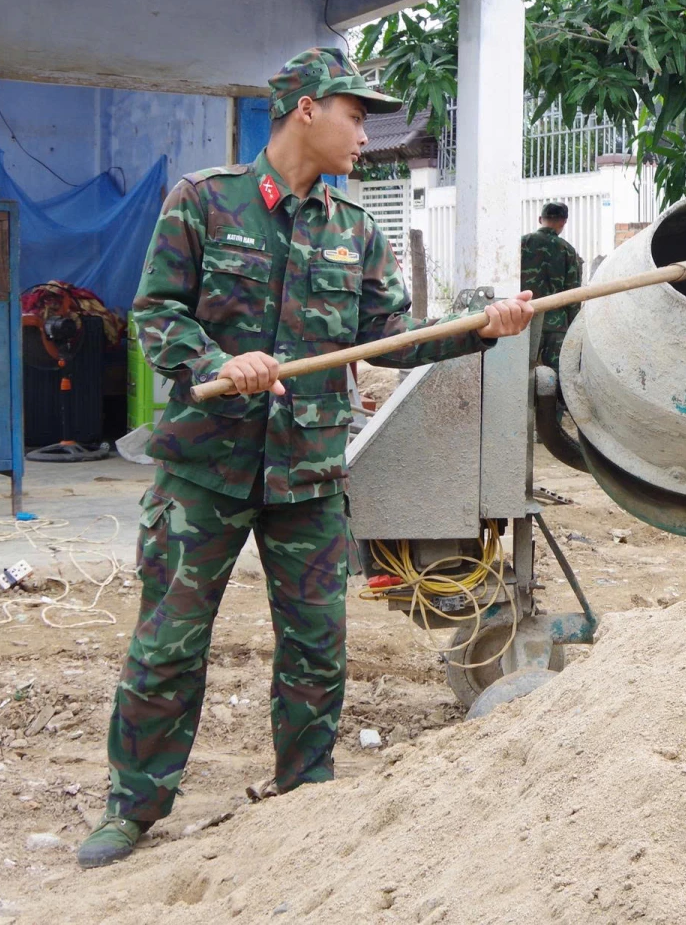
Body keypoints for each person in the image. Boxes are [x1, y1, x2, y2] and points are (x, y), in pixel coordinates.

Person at [77, 48, 535, 869]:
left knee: (317, 645)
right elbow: (154, 314)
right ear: (307, 111)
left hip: (308, 474)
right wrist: (214, 361)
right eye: (356, 115)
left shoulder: (354, 229)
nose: (366, 132)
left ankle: (307, 793)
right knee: (170, 643)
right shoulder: (204, 204)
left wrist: (480, 328)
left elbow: (392, 339)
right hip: (203, 474)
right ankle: (133, 808)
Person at [520, 201, 583, 370]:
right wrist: (574, 326)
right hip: (557, 326)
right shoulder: (567, 250)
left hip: (525, 321)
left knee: (521, 372)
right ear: (564, 221)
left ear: (541, 219)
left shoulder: (522, 243)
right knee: (559, 375)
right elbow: (574, 294)